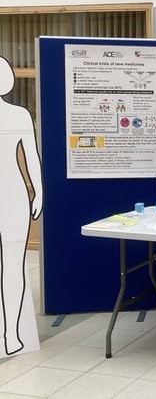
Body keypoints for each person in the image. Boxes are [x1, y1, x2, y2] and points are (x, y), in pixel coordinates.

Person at [0, 56, 43, 356]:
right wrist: (37, 192)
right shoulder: (18, 116)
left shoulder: (19, 116)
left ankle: (12, 334)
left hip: (14, 197)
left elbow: (32, 159)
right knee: (13, 267)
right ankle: (11, 335)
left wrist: (39, 192)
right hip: (14, 195)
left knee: (15, 267)